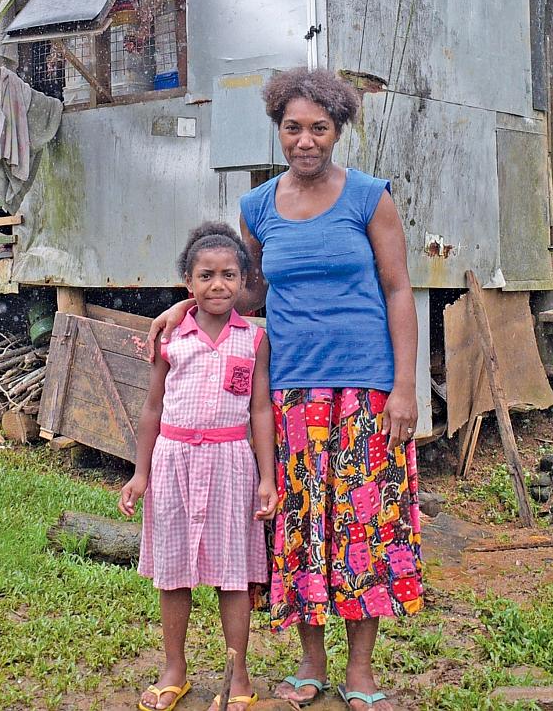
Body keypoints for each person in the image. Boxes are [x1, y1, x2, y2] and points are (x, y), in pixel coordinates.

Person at [148, 68, 423, 711]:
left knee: (364, 529)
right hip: (289, 394)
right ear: (278, 129)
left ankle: (359, 672)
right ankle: (310, 664)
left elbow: (399, 289)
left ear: (338, 132)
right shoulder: (258, 208)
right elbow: (241, 292)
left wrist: (404, 387)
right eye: (293, 127)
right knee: (300, 528)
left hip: (363, 389)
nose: (305, 140)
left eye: (319, 128)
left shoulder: (369, 197)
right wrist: (179, 310)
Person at [121, 222, 279, 711]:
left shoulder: (253, 340)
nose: (218, 285)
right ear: (187, 283)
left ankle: (239, 677)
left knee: (233, 573)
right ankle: (175, 670)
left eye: (229, 275)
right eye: (205, 275)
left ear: (244, 281)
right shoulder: (170, 338)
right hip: (172, 462)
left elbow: (259, 410)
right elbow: (152, 408)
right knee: (173, 572)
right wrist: (140, 472)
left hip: (233, 465)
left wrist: (268, 477)